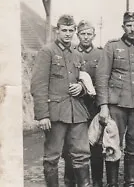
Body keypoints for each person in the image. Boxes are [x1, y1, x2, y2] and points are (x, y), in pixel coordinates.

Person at [95, 12, 134, 187]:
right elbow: (102, 77)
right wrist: (103, 105)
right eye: (128, 25)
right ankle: (113, 183)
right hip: (116, 104)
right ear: (123, 27)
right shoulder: (112, 46)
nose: (132, 29)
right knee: (112, 143)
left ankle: (130, 182)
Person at [31, 15, 91, 187]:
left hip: (77, 112)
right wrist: (42, 115)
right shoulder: (47, 51)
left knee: (82, 154)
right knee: (52, 157)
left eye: (71, 30)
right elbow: (38, 84)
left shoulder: (77, 54)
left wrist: (81, 88)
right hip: (55, 113)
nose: (67, 34)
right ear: (57, 31)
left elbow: (85, 80)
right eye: (64, 30)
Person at [61, 20, 104, 187]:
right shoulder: (69, 52)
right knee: (71, 146)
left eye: (89, 34)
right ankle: (71, 180)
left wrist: (103, 105)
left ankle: (97, 181)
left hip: (93, 106)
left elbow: (103, 81)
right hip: (74, 105)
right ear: (77, 35)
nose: (86, 37)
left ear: (93, 35)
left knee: (96, 145)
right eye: (83, 34)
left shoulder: (100, 55)